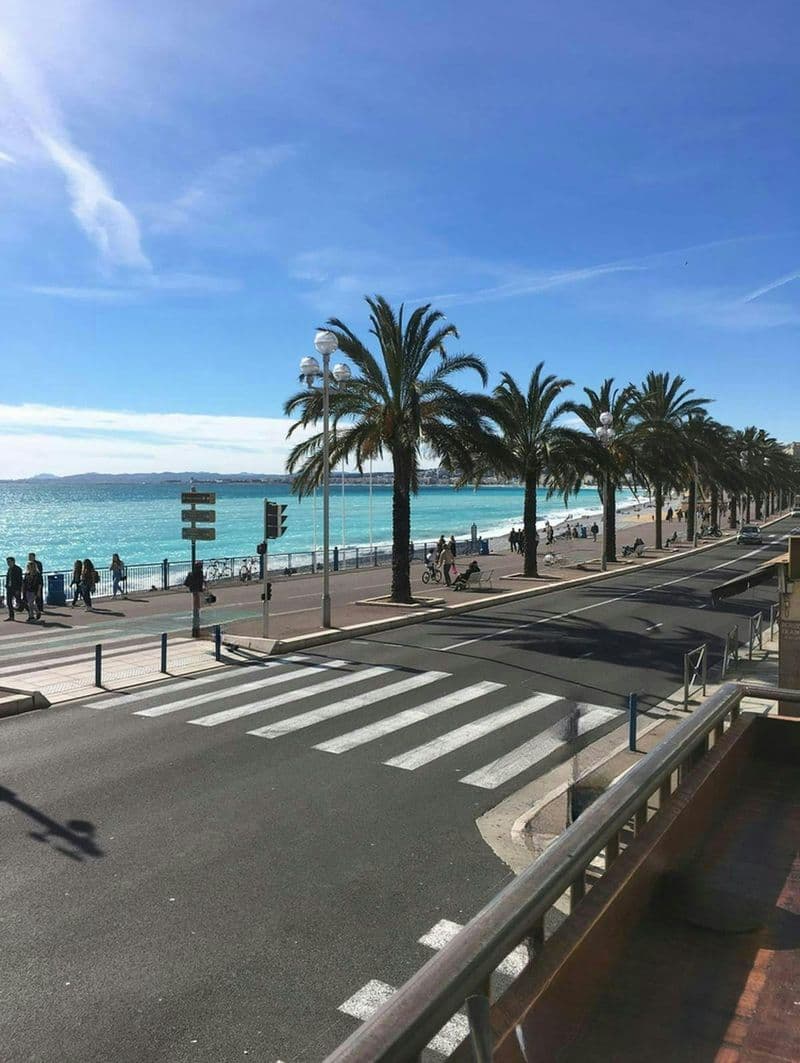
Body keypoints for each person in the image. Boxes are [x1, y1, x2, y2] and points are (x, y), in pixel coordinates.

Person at [5, 557, 23, 621]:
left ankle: (30, 612)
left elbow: (20, 580)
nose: (8, 563)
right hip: (9, 588)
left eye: (9, 561)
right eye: (7, 562)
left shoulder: (17, 569)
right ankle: (11, 616)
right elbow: (8, 578)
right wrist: (7, 585)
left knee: (19, 601)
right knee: (9, 602)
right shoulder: (9, 569)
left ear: (13, 561)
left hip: (15, 588)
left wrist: (19, 589)